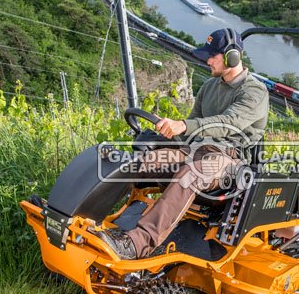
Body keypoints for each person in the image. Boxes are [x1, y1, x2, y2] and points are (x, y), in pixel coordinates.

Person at [95, 28, 269, 259]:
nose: (207, 61)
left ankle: (136, 244)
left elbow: (229, 123)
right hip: (196, 150)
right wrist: (165, 136)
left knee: (190, 174)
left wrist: (184, 125)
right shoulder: (209, 87)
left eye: (212, 56)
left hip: (230, 161)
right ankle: (84, 216)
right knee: (142, 162)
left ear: (232, 57)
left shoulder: (255, 91)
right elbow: (191, 128)